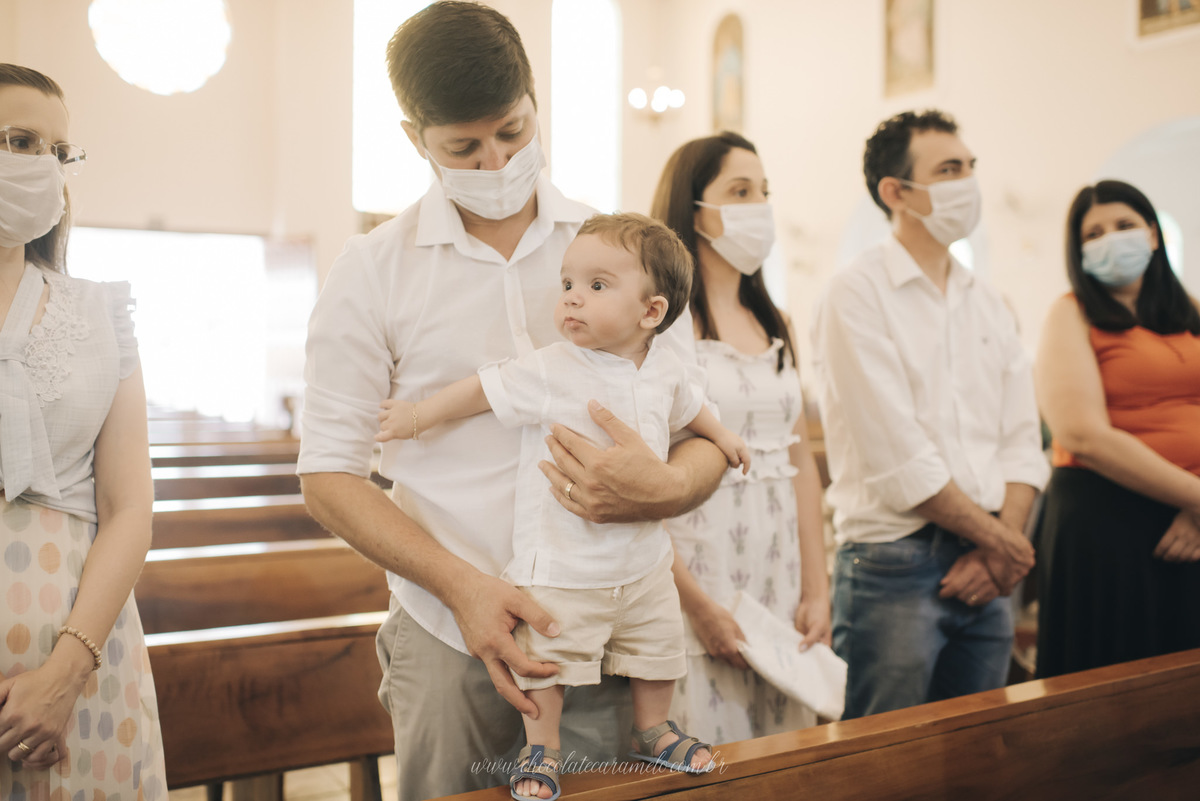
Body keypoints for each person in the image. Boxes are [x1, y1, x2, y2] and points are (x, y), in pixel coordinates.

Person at [296, 4, 728, 799]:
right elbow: (328, 475)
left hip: (603, 616)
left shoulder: (621, 251)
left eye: (514, 131)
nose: (496, 161)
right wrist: (464, 588)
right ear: (414, 137)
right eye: (464, 146)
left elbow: (695, 424)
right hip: (445, 632)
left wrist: (668, 485)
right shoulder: (372, 270)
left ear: (536, 101)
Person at [377, 212, 738, 799]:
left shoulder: (664, 366)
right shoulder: (555, 368)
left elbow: (690, 409)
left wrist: (723, 439)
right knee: (547, 659)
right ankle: (539, 750)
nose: (571, 299)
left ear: (652, 313)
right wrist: (418, 415)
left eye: (596, 287)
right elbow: (481, 391)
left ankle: (654, 728)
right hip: (564, 566)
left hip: (645, 562)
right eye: (568, 284)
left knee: (657, 648)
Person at [810, 109, 1048, 720]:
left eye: (970, 167)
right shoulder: (856, 293)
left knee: (977, 757)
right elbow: (898, 457)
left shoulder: (989, 302)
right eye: (948, 170)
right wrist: (1005, 545)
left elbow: (1023, 442)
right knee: (879, 762)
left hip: (989, 563)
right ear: (897, 193)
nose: (968, 182)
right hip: (895, 563)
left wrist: (1001, 548)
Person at [0, 64, 166, 798]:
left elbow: (130, 506)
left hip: (81, 658)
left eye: (56, 150)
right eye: (18, 140)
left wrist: (67, 671)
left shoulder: (101, 312)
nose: (41, 163)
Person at [648, 132, 832, 742]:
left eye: (764, 191)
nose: (759, 205)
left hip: (777, 573)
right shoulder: (664, 324)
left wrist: (816, 585)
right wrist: (697, 607)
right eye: (739, 191)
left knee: (784, 755)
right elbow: (643, 483)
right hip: (700, 567)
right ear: (694, 209)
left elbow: (799, 459)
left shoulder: (772, 321)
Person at [1033, 179, 1200, 678]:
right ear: (1078, 252)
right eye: (1094, 233)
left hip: (1190, 520)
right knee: (1118, 687)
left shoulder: (1188, 310)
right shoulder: (1071, 313)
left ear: (1152, 234)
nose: (1112, 238)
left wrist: (1194, 509)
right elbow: (1083, 434)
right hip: (1109, 515)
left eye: (1125, 225)